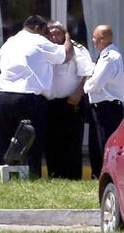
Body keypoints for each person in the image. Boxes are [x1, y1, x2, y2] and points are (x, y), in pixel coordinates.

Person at [0, 15, 74, 178]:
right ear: (38, 28)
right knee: (32, 142)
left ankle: (6, 177)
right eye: (46, 32)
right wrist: (67, 36)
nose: (47, 36)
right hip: (28, 97)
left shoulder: (10, 42)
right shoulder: (38, 41)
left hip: (4, 96)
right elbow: (66, 54)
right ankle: (32, 176)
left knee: (7, 140)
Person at [45, 21, 94, 180]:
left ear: (65, 33)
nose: (53, 36)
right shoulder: (46, 48)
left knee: (71, 142)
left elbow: (87, 72)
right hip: (50, 103)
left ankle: (72, 176)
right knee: (51, 141)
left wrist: (78, 93)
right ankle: (55, 175)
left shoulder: (77, 49)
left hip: (70, 102)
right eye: (50, 32)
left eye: (57, 32)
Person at [84, 25, 124, 175]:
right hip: (100, 107)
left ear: (102, 38)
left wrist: (86, 84)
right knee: (96, 144)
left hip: (108, 108)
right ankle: (98, 174)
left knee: (105, 143)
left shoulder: (110, 57)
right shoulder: (105, 55)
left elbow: (96, 83)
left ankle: (106, 174)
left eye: (94, 37)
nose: (93, 40)